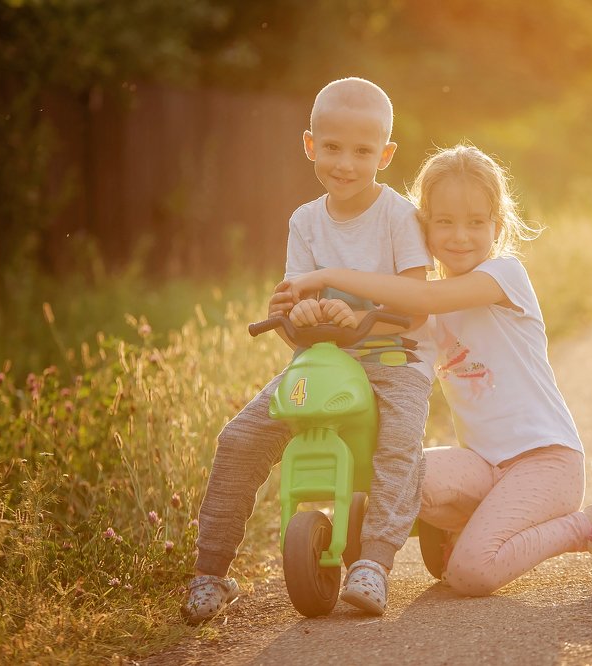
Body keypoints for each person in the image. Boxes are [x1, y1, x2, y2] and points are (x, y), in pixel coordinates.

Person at [279, 143, 592, 597]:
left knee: (471, 573)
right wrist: (305, 318)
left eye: (476, 222)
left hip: (545, 462)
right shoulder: (417, 315)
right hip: (482, 465)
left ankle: (590, 525)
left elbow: (424, 299)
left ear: (498, 224)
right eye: (443, 221)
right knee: (396, 478)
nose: (460, 236)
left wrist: (331, 274)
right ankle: (475, 527)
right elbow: (382, 343)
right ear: (422, 224)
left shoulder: (504, 277)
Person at [183, 77, 435, 622]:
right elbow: (297, 302)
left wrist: (357, 309)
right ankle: (210, 571)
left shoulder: (398, 217)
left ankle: (374, 562)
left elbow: (417, 304)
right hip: (323, 360)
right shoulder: (305, 221)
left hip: (394, 359)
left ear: (385, 155)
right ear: (309, 145)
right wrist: (298, 312)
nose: (345, 162)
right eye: (332, 147)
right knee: (239, 437)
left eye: (363, 151)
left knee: (400, 442)